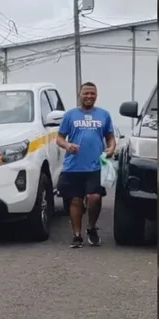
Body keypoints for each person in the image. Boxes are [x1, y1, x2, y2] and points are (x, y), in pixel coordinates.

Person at [56, 82, 116, 248]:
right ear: (79, 95)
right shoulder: (70, 115)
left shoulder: (104, 115)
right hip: (73, 167)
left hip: (95, 166)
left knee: (94, 198)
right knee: (75, 201)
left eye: (92, 94)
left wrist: (111, 148)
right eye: (86, 93)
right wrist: (67, 145)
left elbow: (110, 137)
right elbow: (59, 138)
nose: (89, 96)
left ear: (96, 95)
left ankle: (91, 228)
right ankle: (77, 235)